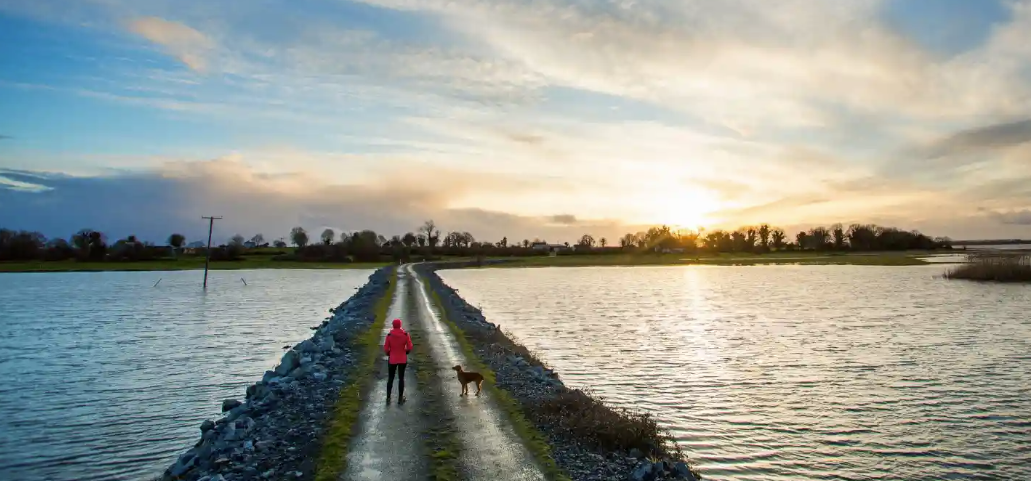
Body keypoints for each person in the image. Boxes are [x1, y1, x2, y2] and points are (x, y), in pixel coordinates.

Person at [383, 318, 413, 404]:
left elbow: (386, 348)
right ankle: (400, 398)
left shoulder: (389, 335)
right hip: (402, 359)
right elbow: (410, 346)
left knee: (390, 378)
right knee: (401, 378)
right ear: (400, 325)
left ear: (393, 325)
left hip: (392, 359)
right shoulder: (405, 334)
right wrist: (406, 351)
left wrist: (388, 353)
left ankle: (388, 398)